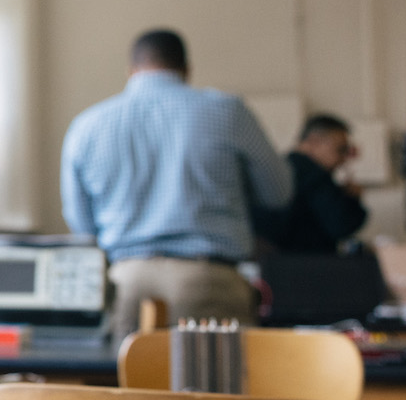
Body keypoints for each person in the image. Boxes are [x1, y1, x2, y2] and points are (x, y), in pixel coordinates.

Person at [60, 28, 291, 337]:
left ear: (131, 71)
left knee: (125, 382)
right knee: (214, 382)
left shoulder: (86, 126)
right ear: (186, 69)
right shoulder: (228, 112)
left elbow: (81, 223)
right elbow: (278, 193)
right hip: (208, 279)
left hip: (126, 281)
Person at [256, 114, 368, 254]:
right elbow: (341, 225)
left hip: (274, 263)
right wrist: (353, 198)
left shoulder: (280, 168)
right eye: (340, 149)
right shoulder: (314, 175)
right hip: (309, 265)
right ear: (314, 142)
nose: (343, 159)